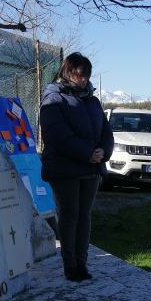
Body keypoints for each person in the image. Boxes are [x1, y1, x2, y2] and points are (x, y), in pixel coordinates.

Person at [39, 53, 113, 281]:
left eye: (86, 76)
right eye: (78, 75)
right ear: (67, 72)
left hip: (90, 169)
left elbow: (105, 131)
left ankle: (82, 263)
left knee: (84, 216)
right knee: (69, 216)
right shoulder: (53, 98)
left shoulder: (92, 101)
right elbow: (57, 135)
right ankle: (70, 266)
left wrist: (103, 151)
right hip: (65, 169)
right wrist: (86, 153)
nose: (82, 80)